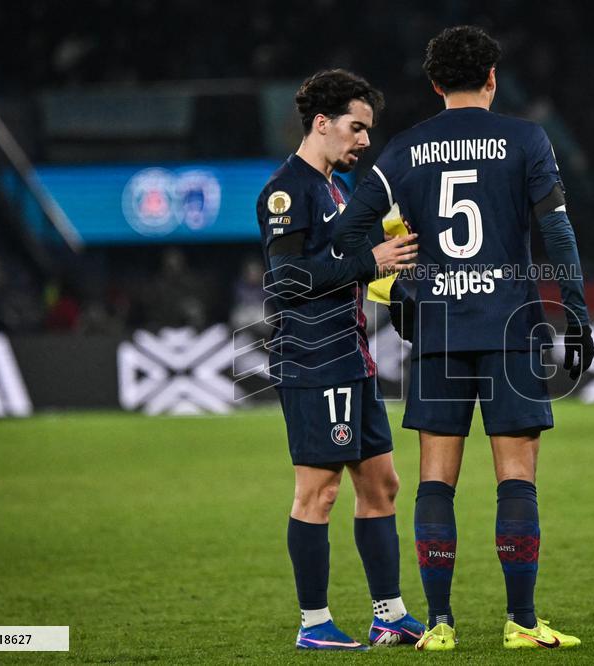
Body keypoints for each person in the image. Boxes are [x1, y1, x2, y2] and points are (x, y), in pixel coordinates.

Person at [333, 26, 594, 651]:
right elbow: (558, 234)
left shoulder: (403, 150)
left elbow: (347, 235)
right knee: (517, 477)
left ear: (434, 84)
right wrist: (576, 314)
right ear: (493, 79)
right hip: (510, 330)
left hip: (439, 334)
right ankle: (521, 623)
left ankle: (440, 625)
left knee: (435, 481)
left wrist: (400, 293)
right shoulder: (526, 140)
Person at [254, 69, 424, 650]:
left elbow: (360, 266)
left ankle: (389, 616)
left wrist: (399, 297)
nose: (364, 140)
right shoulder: (287, 191)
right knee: (318, 494)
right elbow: (289, 279)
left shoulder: (339, 191)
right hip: (313, 360)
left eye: (368, 130)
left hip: (352, 356)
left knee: (382, 484)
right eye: (357, 127)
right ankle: (314, 624)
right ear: (322, 123)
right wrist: (372, 261)